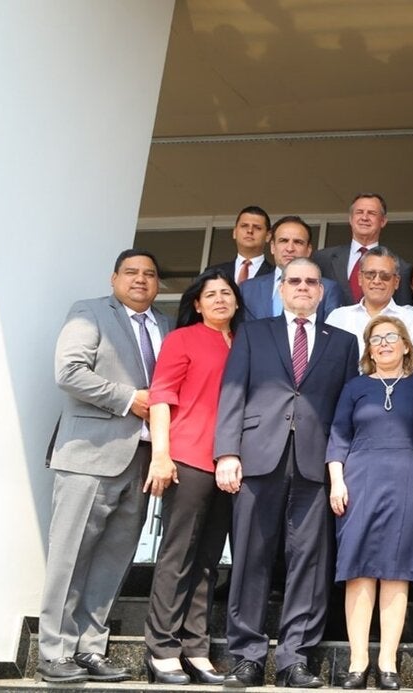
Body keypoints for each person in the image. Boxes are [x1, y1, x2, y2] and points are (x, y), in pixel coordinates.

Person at [214, 258, 360, 688]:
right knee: (251, 557)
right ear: (281, 288)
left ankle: (295, 658)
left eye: (311, 282)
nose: (302, 287)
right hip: (257, 457)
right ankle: (247, 656)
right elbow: (233, 392)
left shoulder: (343, 342)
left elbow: (346, 410)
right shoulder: (254, 333)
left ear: (322, 291)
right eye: (294, 281)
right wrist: (227, 452)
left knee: (309, 563)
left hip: (317, 462)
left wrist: (342, 465)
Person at [37, 249, 171, 684]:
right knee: (71, 555)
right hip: (89, 456)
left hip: (142, 460)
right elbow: (69, 372)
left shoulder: (167, 325)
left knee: (114, 560)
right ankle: (54, 652)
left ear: (158, 284)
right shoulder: (89, 312)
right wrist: (129, 398)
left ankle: (90, 649)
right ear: (114, 279)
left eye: (149, 274)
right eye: (131, 272)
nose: (140, 279)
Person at [142, 269, 242, 685]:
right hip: (187, 457)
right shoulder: (182, 339)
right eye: (210, 294)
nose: (220, 299)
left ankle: (195, 647)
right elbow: (161, 397)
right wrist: (160, 455)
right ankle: (162, 649)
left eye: (226, 292)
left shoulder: (245, 342)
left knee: (208, 562)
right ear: (197, 304)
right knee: (178, 556)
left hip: (230, 465)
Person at [326, 316, 413, 690]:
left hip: (407, 481)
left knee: (396, 571)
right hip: (358, 481)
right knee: (359, 569)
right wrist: (337, 481)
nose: (383, 344)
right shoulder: (354, 387)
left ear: (405, 345)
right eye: (375, 339)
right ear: (368, 349)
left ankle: (387, 662)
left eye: (391, 337)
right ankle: (358, 662)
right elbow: (338, 436)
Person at [326, 247, 413, 365]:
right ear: (360, 278)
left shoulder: (412, 320)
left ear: (396, 282)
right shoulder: (338, 317)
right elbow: (327, 363)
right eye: (370, 274)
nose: (377, 281)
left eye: (385, 276)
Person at [313, 193, 412, 307]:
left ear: (383, 221)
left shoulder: (401, 267)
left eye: (372, 213)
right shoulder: (323, 258)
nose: (364, 218)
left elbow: (402, 309)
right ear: (351, 219)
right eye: (359, 212)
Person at [239, 215, 341, 322]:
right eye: (283, 241)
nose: (290, 248)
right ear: (273, 247)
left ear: (308, 250)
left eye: (298, 242)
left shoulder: (328, 288)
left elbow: (331, 330)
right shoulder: (248, 289)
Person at [206, 206, 275, 284]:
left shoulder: (276, 275)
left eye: (257, 228)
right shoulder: (212, 273)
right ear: (234, 232)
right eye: (244, 226)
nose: (250, 230)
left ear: (268, 236)